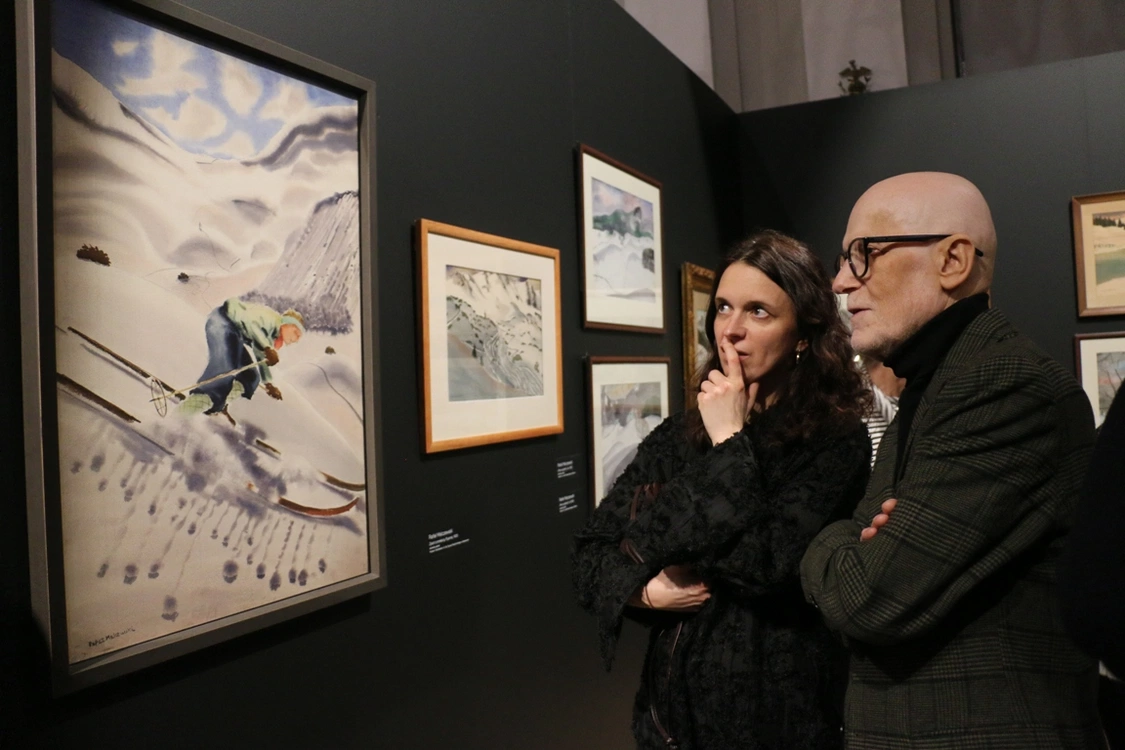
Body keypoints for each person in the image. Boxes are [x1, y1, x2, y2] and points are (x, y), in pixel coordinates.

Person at [800, 172, 1104, 748]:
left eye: (863, 253)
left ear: (953, 260)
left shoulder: (1002, 382)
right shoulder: (937, 383)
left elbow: (866, 597)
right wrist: (854, 542)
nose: (841, 282)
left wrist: (827, 540)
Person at [572, 230, 872, 749]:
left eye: (759, 311)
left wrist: (730, 439)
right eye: (723, 308)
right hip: (670, 724)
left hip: (780, 722)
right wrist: (648, 593)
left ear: (803, 335)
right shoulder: (680, 433)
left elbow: (765, 565)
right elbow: (590, 556)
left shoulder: (835, 441)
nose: (730, 330)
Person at [187, 297, 305, 417]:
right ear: (287, 324)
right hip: (222, 323)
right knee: (225, 368)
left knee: (250, 377)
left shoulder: (271, 335)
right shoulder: (270, 319)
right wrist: (266, 347)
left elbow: (261, 356)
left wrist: (268, 383)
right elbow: (251, 324)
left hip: (234, 335)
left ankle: (217, 406)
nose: (296, 339)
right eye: (296, 333)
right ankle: (191, 407)